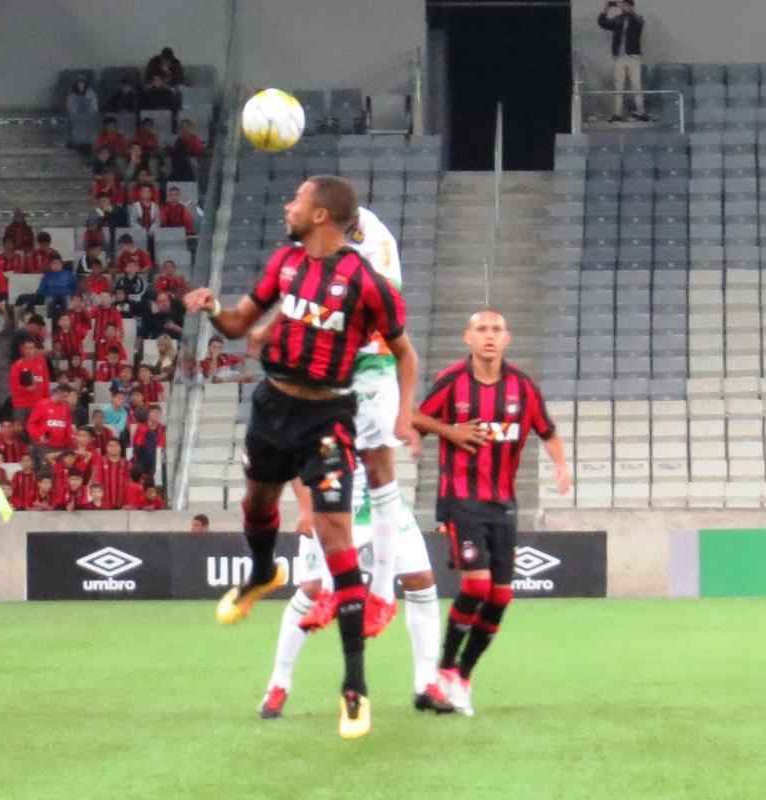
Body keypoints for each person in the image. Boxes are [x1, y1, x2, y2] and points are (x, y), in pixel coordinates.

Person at [182, 174, 416, 739]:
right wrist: (212, 307)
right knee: (256, 502)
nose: (288, 204)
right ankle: (262, 573)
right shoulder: (285, 262)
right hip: (271, 406)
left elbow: (404, 353)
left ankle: (354, 688)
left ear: (320, 216)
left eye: (297, 199)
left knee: (337, 535)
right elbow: (240, 324)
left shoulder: (368, 283)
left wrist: (405, 413)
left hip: (328, 419)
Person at [413, 310, 572, 716]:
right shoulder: (452, 382)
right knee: (478, 585)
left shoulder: (523, 386)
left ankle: (463, 675)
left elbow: (548, 432)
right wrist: (448, 432)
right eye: (481, 329)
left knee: (501, 595)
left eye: (496, 330)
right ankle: (444, 669)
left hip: (503, 505)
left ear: (507, 339)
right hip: (460, 500)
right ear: (467, 337)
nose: (489, 336)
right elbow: (415, 416)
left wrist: (561, 465)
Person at [260, 476, 453, 719]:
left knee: (420, 578)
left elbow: (387, 449)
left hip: (380, 500)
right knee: (313, 588)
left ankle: (426, 684)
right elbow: (296, 455)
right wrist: (307, 508)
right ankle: (279, 684)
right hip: (331, 497)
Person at [598, 0, 648, 122]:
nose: (622, 7)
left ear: (631, 6)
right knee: (618, 86)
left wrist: (628, 10)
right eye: (622, 5)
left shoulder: (637, 18)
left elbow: (639, 22)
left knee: (636, 85)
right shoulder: (618, 19)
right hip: (619, 58)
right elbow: (603, 23)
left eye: (625, 5)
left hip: (633, 58)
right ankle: (617, 114)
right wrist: (606, 8)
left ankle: (641, 112)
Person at [26, 383, 75, 468]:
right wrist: (39, 436)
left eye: (67, 397)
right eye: (64, 396)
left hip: (61, 447)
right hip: (45, 446)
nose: (66, 399)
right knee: (46, 471)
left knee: (59, 471)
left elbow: (68, 427)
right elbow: (31, 424)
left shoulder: (65, 408)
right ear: (58, 393)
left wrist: (71, 444)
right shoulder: (42, 404)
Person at [9, 338, 50, 425]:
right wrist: (26, 389)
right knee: (20, 432)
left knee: (36, 431)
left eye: (31, 348)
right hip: (22, 405)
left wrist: (47, 400)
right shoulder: (17, 365)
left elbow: (46, 382)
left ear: (35, 349)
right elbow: (14, 386)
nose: (28, 351)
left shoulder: (41, 362)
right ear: (22, 350)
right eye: (26, 348)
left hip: (38, 404)